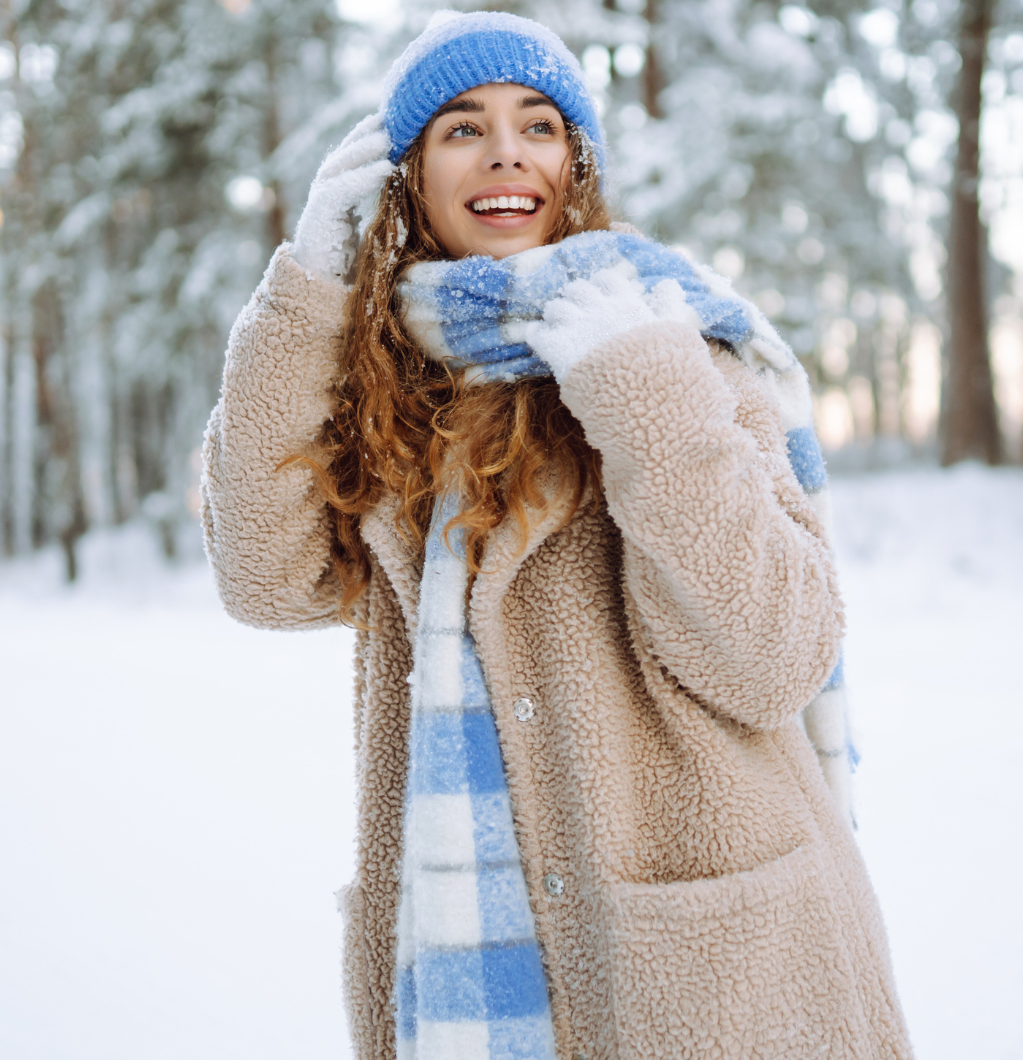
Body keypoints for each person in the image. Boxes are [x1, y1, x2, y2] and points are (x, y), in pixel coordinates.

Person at [202, 11, 912, 1059]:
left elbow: (772, 658)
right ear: (405, 180)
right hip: (480, 978)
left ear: (572, 164)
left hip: (717, 986)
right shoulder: (394, 390)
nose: (504, 151)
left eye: (538, 124)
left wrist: (640, 387)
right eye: (461, 128)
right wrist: (308, 295)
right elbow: (264, 578)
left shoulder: (683, 352)